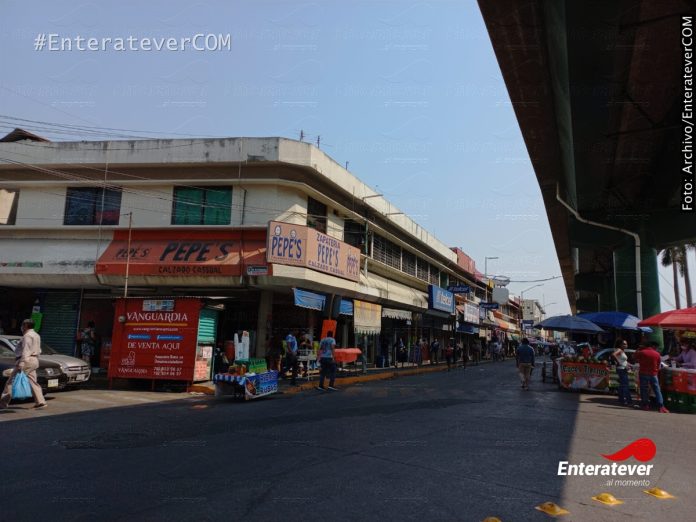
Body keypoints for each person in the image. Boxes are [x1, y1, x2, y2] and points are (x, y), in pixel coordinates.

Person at [0, 319, 47, 409]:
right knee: (33, 382)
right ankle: (40, 402)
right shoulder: (36, 335)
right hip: (34, 360)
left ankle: (2, 404)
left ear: (25, 326)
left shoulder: (27, 336)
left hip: (26, 360)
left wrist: (22, 363)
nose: (21, 327)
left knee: (10, 382)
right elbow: (38, 349)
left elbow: (26, 350)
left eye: (22, 325)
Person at [635, 342, 669, 413]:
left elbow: (635, 357)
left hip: (643, 373)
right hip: (653, 374)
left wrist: (638, 349)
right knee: (657, 390)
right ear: (654, 346)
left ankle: (645, 405)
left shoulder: (642, 352)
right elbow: (659, 366)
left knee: (644, 389)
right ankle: (661, 406)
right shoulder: (657, 354)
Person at [612, 339, 632, 406]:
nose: (626, 345)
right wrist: (618, 362)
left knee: (622, 385)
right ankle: (629, 401)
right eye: (624, 344)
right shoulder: (619, 350)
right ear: (620, 344)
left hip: (623, 368)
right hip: (622, 369)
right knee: (625, 385)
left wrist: (628, 364)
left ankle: (621, 400)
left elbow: (622, 360)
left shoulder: (622, 351)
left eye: (626, 344)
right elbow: (613, 355)